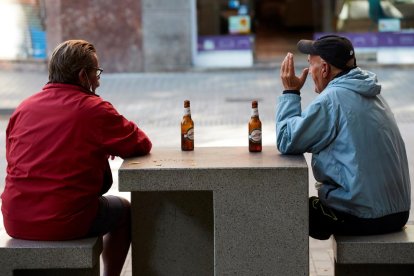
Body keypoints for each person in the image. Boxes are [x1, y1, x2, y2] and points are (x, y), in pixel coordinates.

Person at [1, 40, 152, 276]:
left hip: (14, 219)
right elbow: (141, 144)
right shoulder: (94, 109)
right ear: (83, 76)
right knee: (123, 211)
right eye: (97, 73)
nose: (99, 80)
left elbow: (14, 157)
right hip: (65, 221)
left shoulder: (23, 108)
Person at [276, 35, 411, 240]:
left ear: (324, 69)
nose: (308, 72)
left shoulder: (333, 99)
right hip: (397, 214)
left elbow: (286, 139)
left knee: (277, 205)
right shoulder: (372, 93)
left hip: (363, 216)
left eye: (310, 65)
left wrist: (290, 91)